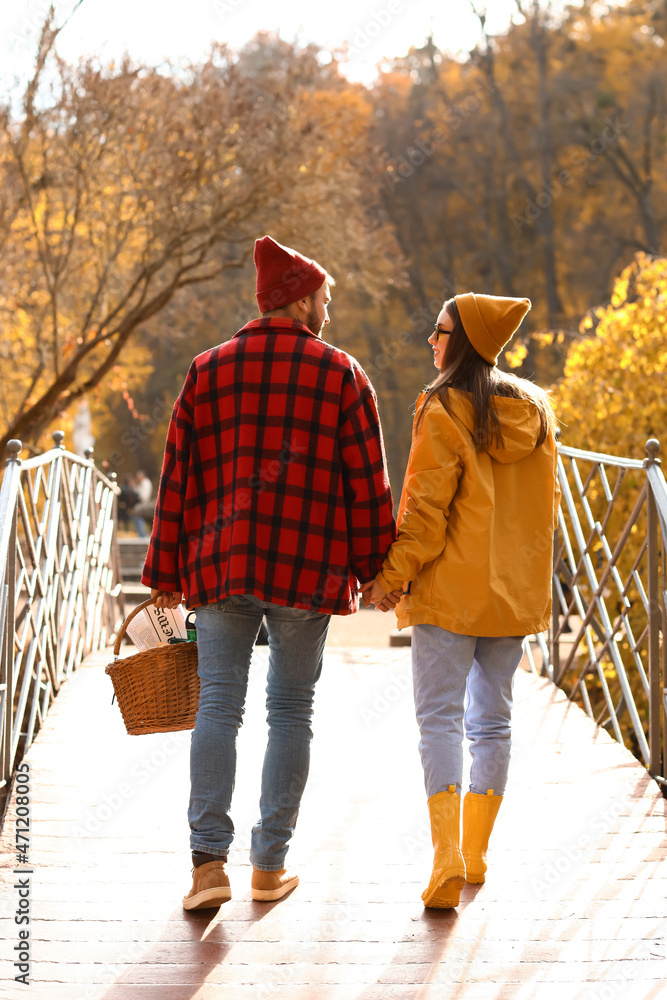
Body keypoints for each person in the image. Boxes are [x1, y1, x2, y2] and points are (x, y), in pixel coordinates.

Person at [142, 235, 395, 909]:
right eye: (323, 299)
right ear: (301, 300)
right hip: (307, 567)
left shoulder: (206, 370)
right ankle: (268, 865)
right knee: (290, 708)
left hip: (221, 565)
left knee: (219, 705)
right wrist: (375, 569)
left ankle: (206, 868)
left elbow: (177, 480)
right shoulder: (342, 374)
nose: (327, 310)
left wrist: (164, 565)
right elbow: (366, 486)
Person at [365, 292, 559, 909]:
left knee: (441, 718)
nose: (431, 340)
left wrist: (389, 576)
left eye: (439, 330)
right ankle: (475, 854)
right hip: (510, 595)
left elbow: (425, 512)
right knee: (494, 720)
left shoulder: (442, 406)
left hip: (450, 594)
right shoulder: (536, 412)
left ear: (464, 339)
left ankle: (445, 855)